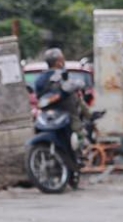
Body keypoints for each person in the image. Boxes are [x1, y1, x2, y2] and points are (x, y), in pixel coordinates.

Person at [32, 47, 84, 188]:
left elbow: (75, 85)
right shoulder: (58, 75)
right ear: (59, 62)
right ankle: (78, 154)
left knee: (77, 132)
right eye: (62, 60)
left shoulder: (42, 79)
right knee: (77, 129)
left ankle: (78, 157)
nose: (63, 62)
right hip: (59, 113)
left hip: (54, 114)